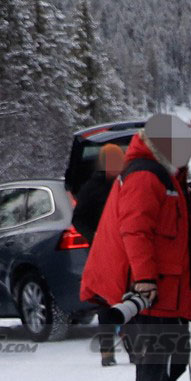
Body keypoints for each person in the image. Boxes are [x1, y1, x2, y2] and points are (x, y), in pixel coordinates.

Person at [79, 114, 191, 381]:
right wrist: (145, 279)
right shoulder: (147, 176)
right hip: (154, 289)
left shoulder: (157, 173)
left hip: (161, 287)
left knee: (164, 358)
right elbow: (135, 231)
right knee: (159, 359)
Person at [72, 143, 126, 365]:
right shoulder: (92, 187)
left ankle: (133, 347)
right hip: (102, 253)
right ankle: (107, 351)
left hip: (125, 250)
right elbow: (78, 219)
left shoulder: (126, 182)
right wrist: (95, 236)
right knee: (105, 300)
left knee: (127, 299)